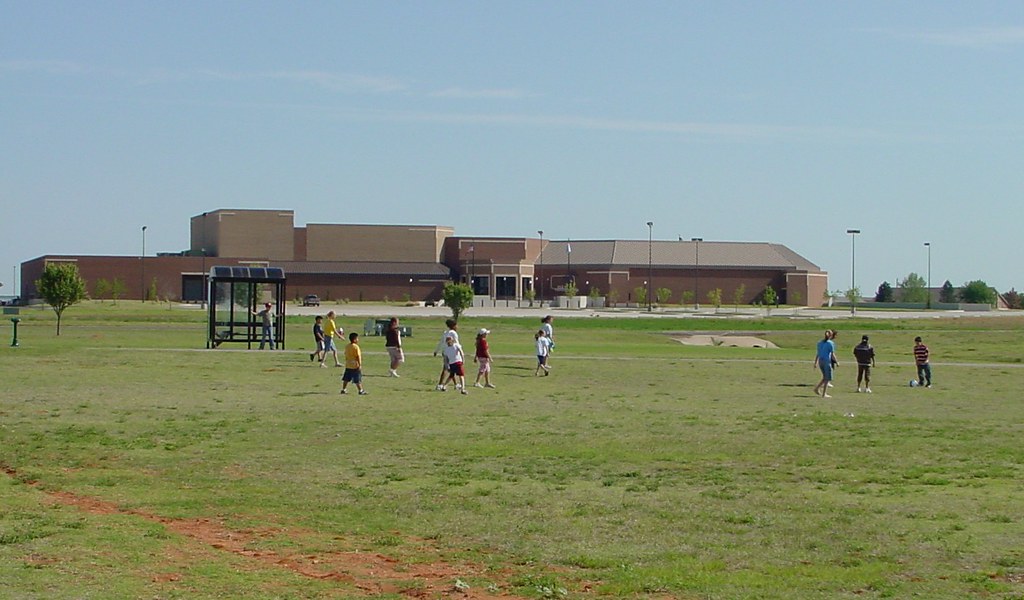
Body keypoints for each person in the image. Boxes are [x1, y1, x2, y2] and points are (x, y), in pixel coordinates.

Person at [433, 319, 459, 390]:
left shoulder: (445, 332)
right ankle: (440, 384)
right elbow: (457, 343)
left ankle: (456, 384)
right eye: (456, 325)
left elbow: (441, 342)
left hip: (445, 352)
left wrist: (436, 351)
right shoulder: (453, 333)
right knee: (446, 369)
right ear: (453, 326)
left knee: (451, 368)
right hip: (451, 353)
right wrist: (459, 351)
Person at [812, 329, 836, 398]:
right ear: (831, 335)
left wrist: (815, 362)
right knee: (827, 378)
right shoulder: (830, 343)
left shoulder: (819, 343)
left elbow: (818, 353)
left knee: (825, 377)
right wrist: (837, 362)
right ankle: (824, 393)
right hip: (826, 362)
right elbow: (832, 354)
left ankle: (817, 389)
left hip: (820, 361)